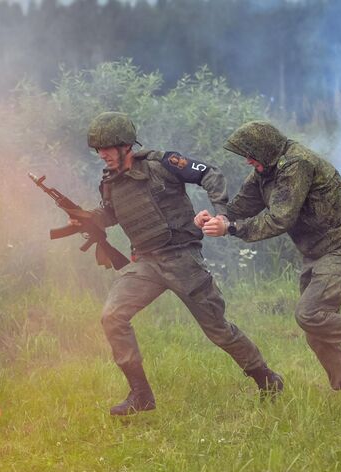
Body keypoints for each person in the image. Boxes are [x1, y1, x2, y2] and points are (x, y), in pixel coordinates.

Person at [82, 111, 283, 416]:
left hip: (182, 259)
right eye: (98, 150)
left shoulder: (162, 163)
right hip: (147, 263)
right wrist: (88, 219)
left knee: (218, 330)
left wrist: (221, 214)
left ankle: (266, 379)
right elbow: (111, 213)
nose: (102, 155)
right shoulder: (109, 183)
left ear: (125, 146)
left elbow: (210, 174)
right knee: (112, 316)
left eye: (107, 148)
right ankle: (141, 395)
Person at [201, 120, 341, 400]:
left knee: (310, 315)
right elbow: (241, 206)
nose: (247, 160)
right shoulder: (266, 168)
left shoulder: (296, 164)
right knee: (316, 327)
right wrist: (217, 218)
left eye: (250, 154)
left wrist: (232, 229)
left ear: (264, 149)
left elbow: (280, 218)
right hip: (317, 250)